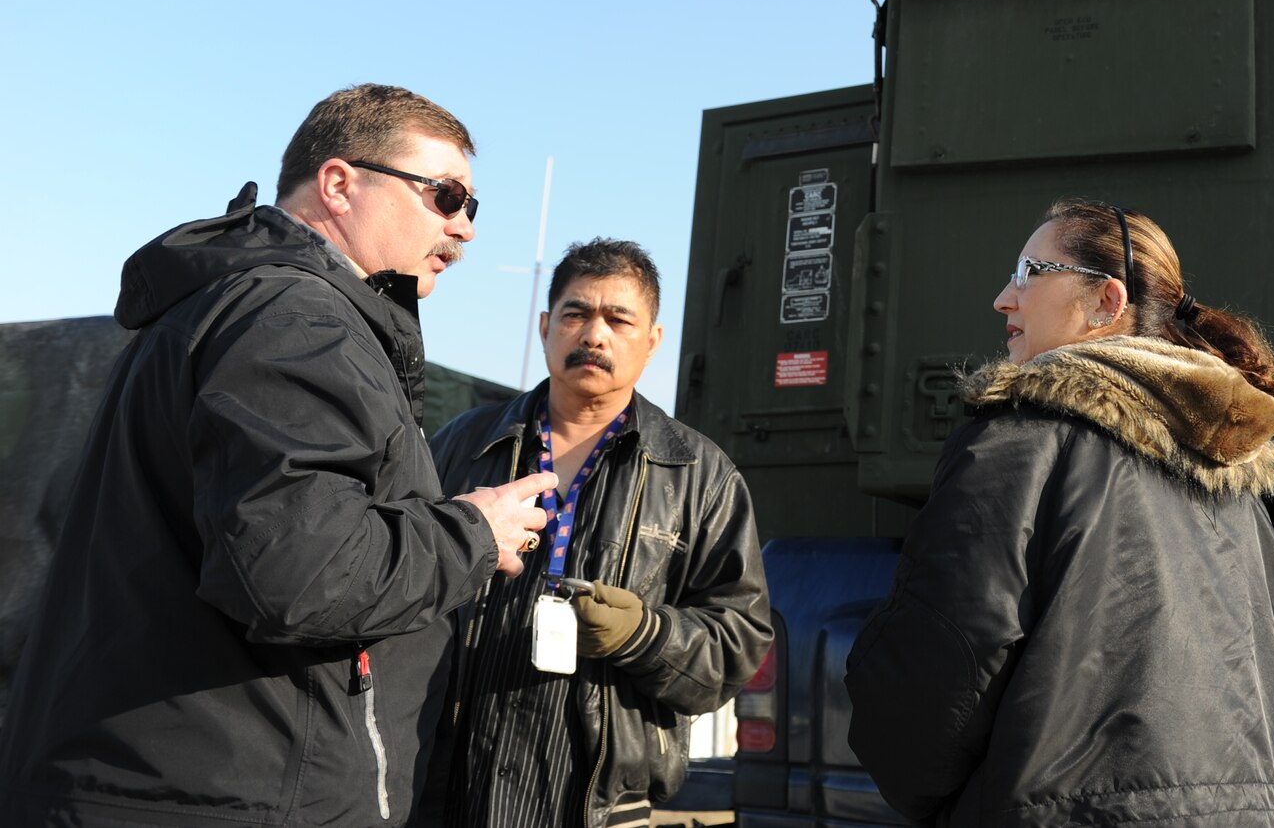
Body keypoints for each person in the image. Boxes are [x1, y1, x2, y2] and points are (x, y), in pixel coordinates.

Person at [0, 84, 556, 828]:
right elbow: (300, 573)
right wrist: (472, 533)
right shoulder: (293, 318)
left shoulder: (235, 304)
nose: (464, 226)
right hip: (218, 795)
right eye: (445, 194)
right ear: (339, 183)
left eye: (470, 205)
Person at [845, 199, 1274, 828]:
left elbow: (937, 671)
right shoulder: (1234, 483)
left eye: (1028, 273)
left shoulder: (1019, 443)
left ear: (1107, 301)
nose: (1002, 299)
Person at [426, 238, 772, 828]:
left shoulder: (698, 475)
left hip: (601, 807)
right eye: (576, 314)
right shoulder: (460, 445)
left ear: (652, 341)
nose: (594, 335)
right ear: (544, 326)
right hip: (447, 792)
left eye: (618, 319)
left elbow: (738, 644)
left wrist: (642, 634)